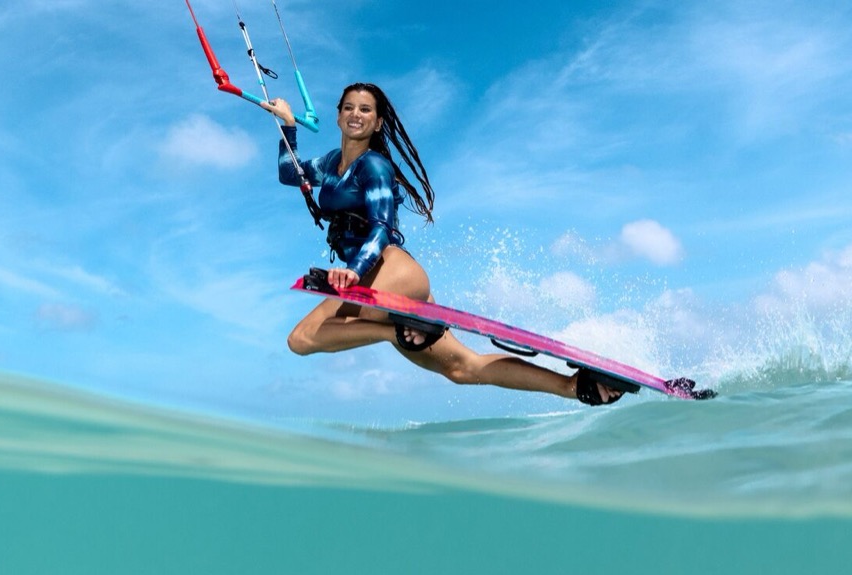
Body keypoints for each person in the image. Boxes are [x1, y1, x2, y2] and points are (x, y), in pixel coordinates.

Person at [261, 83, 627, 406]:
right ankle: (576, 387)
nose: (356, 114)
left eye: (365, 109)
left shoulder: (374, 167)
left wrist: (352, 272)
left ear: (377, 123)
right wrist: (288, 127)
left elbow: (381, 229)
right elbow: (288, 172)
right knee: (462, 368)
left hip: (391, 271)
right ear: (338, 117)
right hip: (381, 286)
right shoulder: (331, 163)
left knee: (303, 338)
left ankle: (403, 331)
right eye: (349, 108)